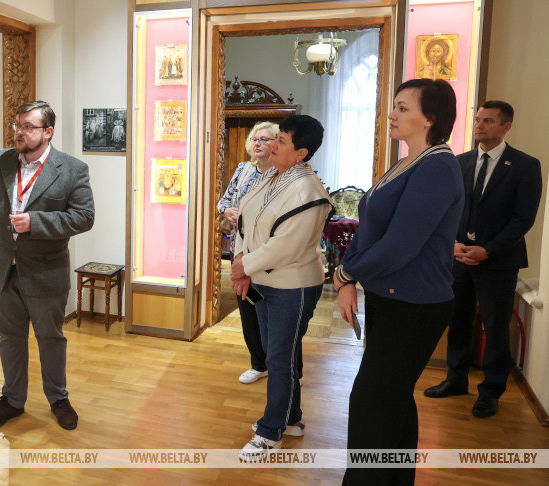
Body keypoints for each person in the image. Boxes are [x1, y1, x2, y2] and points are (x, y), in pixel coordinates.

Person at [334, 79, 463, 485]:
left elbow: (399, 246)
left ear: (431, 118)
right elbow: (371, 231)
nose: (392, 114)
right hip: (396, 299)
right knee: (392, 401)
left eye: (403, 108)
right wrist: (347, 274)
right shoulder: (412, 161)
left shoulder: (439, 165)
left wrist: (346, 273)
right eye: (394, 106)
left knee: (372, 403)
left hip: (415, 304)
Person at [0, 101, 95, 431]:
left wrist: (36, 222)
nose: (20, 132)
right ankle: (12, 400)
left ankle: (58, 398)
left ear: (47, 132)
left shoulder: (71, 169)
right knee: (9, 338)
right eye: (17, 125)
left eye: (28, 127)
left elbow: (84, 217)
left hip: (46, 272)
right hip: (2, 270)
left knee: (49, 338)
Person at [423, 101, 542, 418]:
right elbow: (445, 210)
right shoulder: (459, 162)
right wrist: (453, 245)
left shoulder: (525, 166)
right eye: (477, 119)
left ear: (506, 126)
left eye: (488, 121)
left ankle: (490, 392)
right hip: (459, 257)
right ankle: (456, 380)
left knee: (495, 328)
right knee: (458, 322)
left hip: (498, 262)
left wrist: (487, 250)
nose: (480, 125)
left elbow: (523, 219)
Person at [232, 115, 332, 461]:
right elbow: (244, 218)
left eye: (282, 141)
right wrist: (243, 264)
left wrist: (243, 266)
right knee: (281, 356)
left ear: (301, 152)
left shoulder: (309, 190)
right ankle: (291, 419)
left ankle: (270, 432)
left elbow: (285, 246)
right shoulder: (272, 176)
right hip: (264, 281)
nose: (273, 145)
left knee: (279, 357)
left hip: (294, 285)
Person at [216, 121, 279, 385]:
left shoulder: (282, 174)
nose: (258, 143)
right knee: (248, 308)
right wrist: (226, 210)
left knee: (274, 314)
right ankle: (259, 363)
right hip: (239, 252)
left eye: (264, 139)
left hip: (269, 255)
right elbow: (224, 200)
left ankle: (285, 368)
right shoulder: (243, 170)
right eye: (255, 138)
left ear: (277, 143)